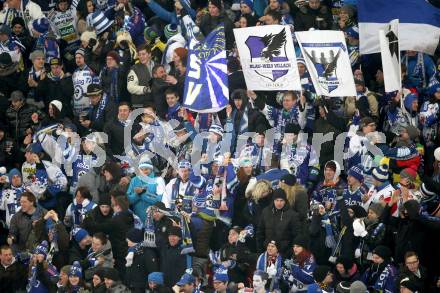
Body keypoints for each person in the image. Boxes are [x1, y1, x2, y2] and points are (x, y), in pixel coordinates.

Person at [256, 188, 301, 256]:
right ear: (273, 200)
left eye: (281, 200)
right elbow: (260, 232)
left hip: (284, 253)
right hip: (267, 252)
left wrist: (289, 253)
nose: (279, 203)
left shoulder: (293, 215)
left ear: (285, 201)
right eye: (277, 200)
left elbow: (297, 236)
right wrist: (261, 251)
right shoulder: (266, 211)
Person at [127, 158, 165, 223]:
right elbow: (128, 200)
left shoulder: (158, 180)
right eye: (141, 169)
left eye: (146, 169)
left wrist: (143, 194)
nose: (144, 171)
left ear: (151, 169)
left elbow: (160, 201)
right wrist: (137, 194)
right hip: (137, 219)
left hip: (153, 219)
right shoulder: (134, 180)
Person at [125, 228, 159, 292]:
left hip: (142, 288)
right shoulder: (131, 252)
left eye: (128, 241)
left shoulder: (147, 253)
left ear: (134, 239)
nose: (128, 244)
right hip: (132, 286)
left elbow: (152, 271)